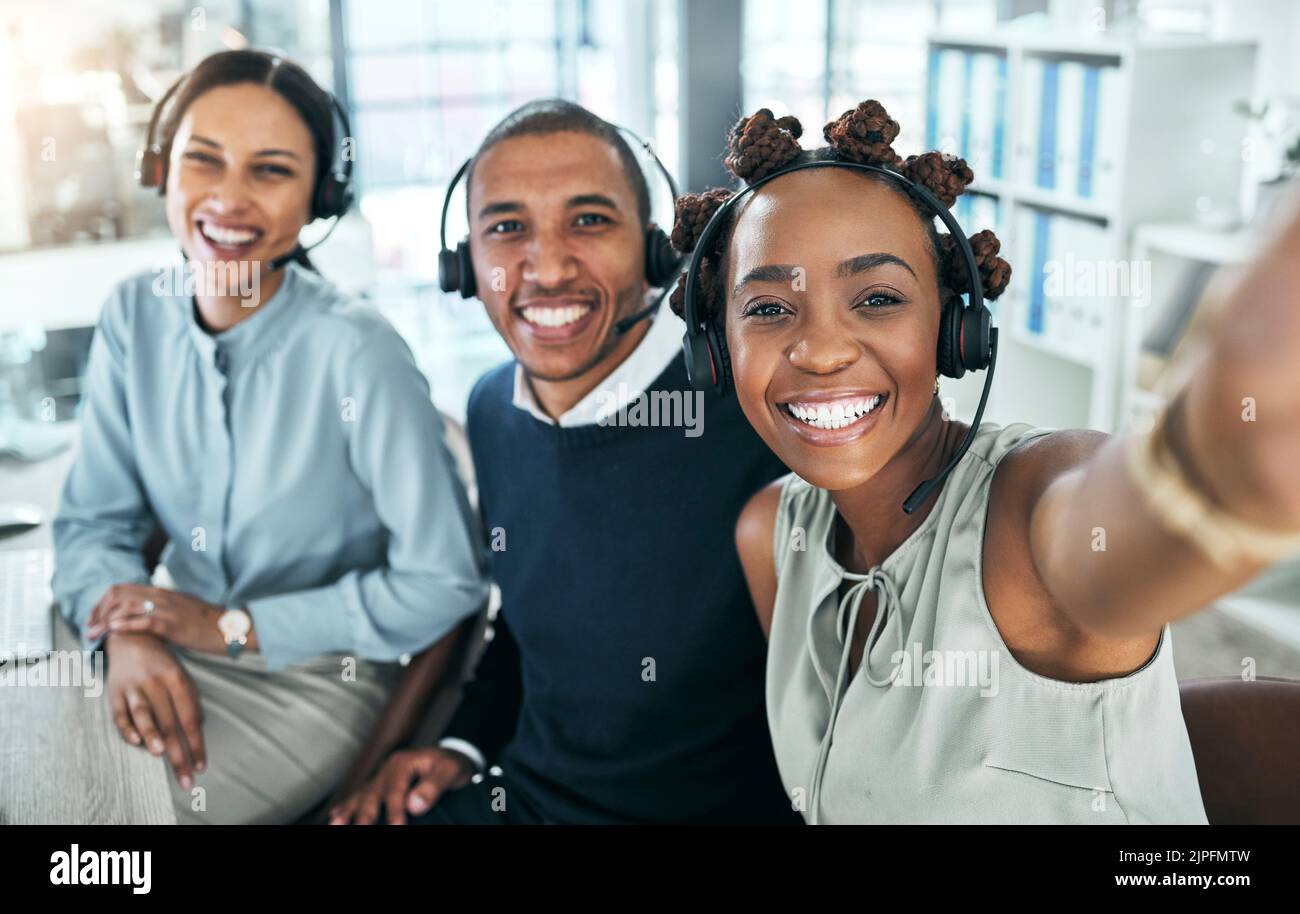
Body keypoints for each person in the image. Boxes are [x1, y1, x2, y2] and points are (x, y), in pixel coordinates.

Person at [669, 100, 1300, 824]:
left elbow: (1127, 530)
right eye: (770, 309)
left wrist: (1220, 461)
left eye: (877, 298)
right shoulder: (773, 533)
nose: (821, 350)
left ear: (955, 329)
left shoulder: (1032, 499)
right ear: (715, 351)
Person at [330, 99, 799, 824]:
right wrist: (460, 745)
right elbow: (525, 625)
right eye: (507, 228)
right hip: (521, 798)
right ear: (464, 264)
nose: (546, 268)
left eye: (588, 221)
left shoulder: (750, 409)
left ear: (653, 251)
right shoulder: (492, 409)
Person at [51, 49, 489, 824]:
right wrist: (130, 637)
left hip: (314, 674)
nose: (228, 198)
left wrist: (231, 628)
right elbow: (94, 523)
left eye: (271, 170)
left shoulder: (357, 350)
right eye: (204, 161)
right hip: (165, 644)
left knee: (96, 817)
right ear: (162, 169)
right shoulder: (133, 316)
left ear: (319, 196)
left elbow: (445, 584)